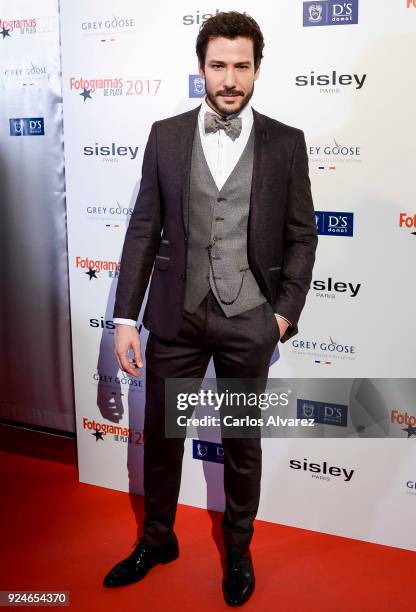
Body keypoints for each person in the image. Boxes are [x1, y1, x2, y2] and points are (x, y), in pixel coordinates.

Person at [103, 11, 317, 607]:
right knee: (164, 438)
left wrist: (283, 313)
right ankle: (157, 539)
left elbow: (303, 235)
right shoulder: (165, 135)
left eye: (241, 66)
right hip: (178, 316)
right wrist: (125, 318)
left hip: (251, 317)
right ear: (201, 68)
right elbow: (144, 229)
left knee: (243, 444)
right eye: (218, 65)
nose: (229, 78)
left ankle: (238, 548)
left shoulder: (286, 143)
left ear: (257, 69)